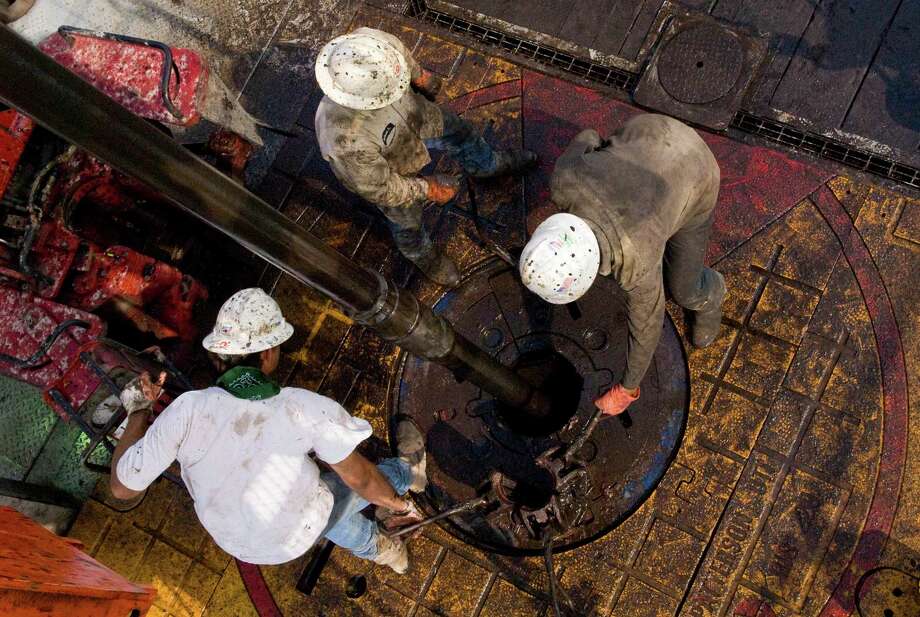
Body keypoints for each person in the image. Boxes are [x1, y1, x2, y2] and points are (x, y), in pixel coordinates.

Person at [108, 288, 427, 573]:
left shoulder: (186, 410)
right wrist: (400, 506)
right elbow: (363, 479)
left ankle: (385, 552)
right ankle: (410, 472)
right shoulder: (299, 408)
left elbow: (122, 489)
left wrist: (138, 411)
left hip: (243, 545)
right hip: (298, 522)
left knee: (324, 513)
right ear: (267, 354)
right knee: (355, 484)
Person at [519, 114, 725, 417]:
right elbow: (588, 135)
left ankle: (711, 296)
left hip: (695, 170)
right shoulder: (564, 181)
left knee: (681, 288)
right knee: (658, 234)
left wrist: (627, 389)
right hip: (650, 129)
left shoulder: (634, 261)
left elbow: (648, 323)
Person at [314, 27, 536, 286]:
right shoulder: (344, 141)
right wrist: (426, 188)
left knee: (461, 133)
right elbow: (381, 189)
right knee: (405, 219)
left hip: (416, 114)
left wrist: (420, 77)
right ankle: (423, 255)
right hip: (391, 165)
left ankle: (487, 165)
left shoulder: (372, 43)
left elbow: (401, 56)